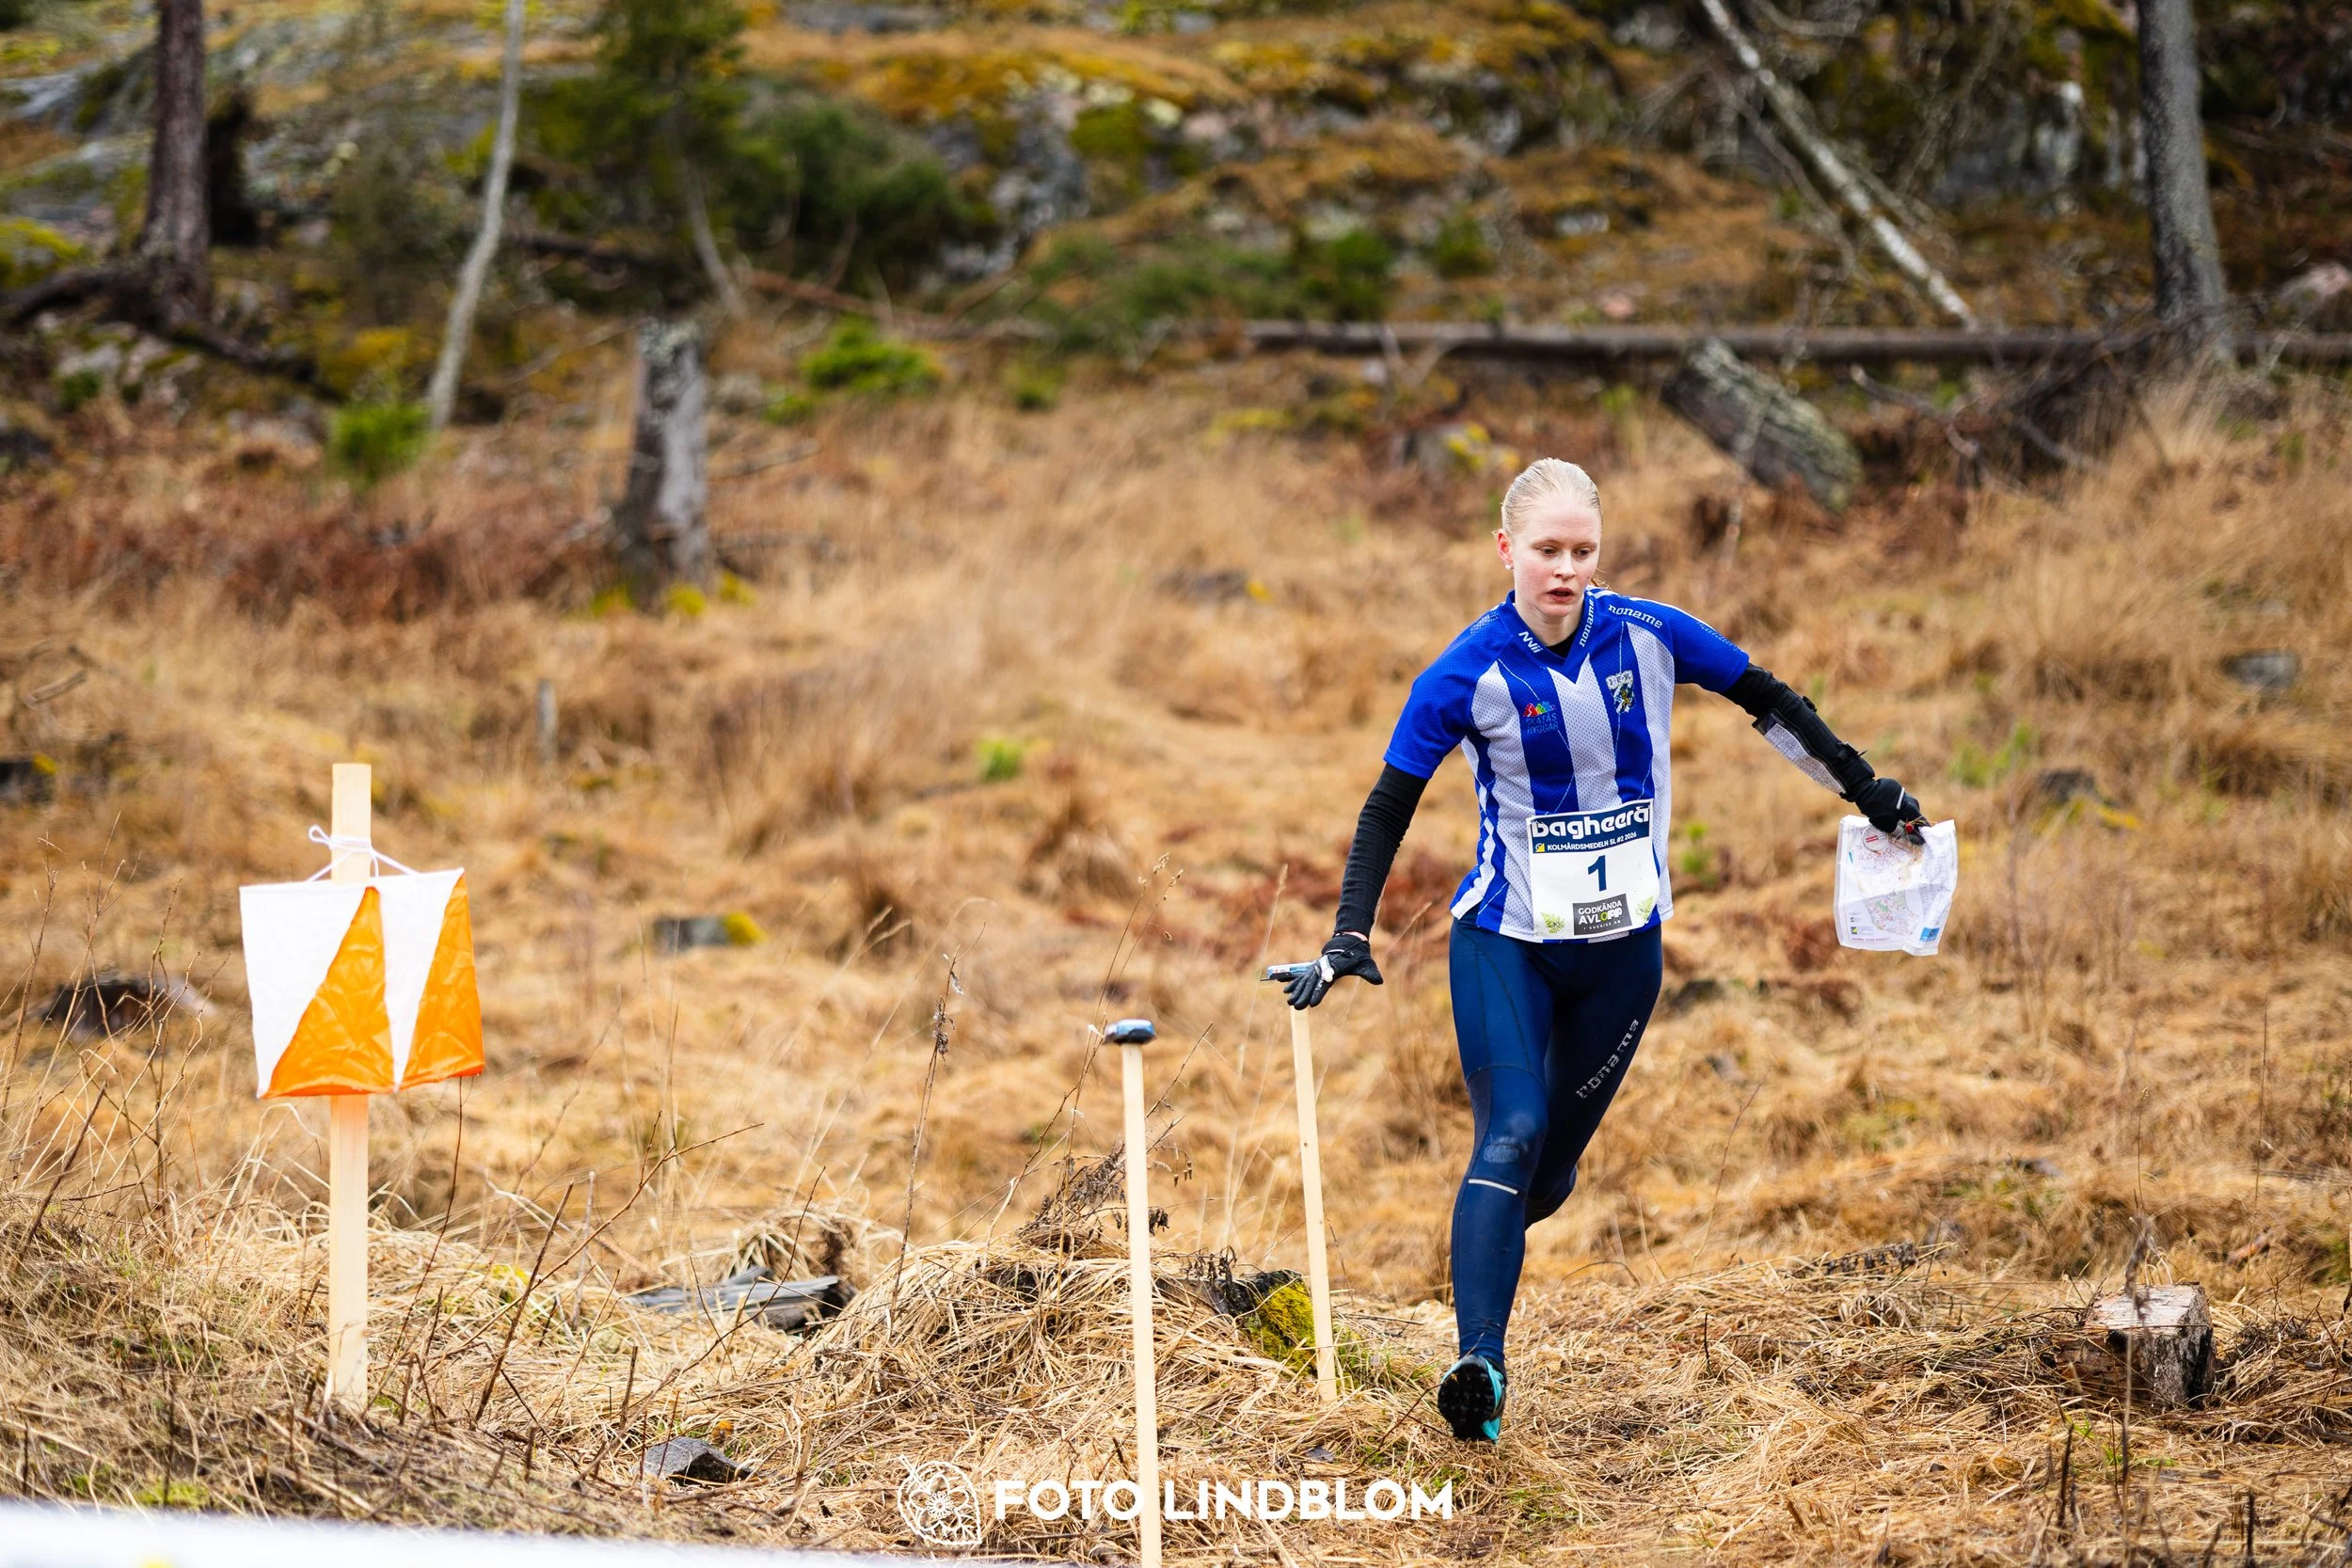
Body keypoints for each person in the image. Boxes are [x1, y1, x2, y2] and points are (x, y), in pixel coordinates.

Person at [1283, 457, 1926, 1444]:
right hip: (1506, 942)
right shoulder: (1466, 670)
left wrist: (1866, 788)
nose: (1565, 569)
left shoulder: (1649, 633)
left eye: (1582, 550)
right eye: (1546, 550)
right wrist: (1347, 932)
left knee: (1542, 1176)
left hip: (1624, 957)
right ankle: (1479, 1368)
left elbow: (1767, 698)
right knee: (1509, 1131)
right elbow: (1387, 806)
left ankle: (1491, 1241)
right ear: (1506, 551)